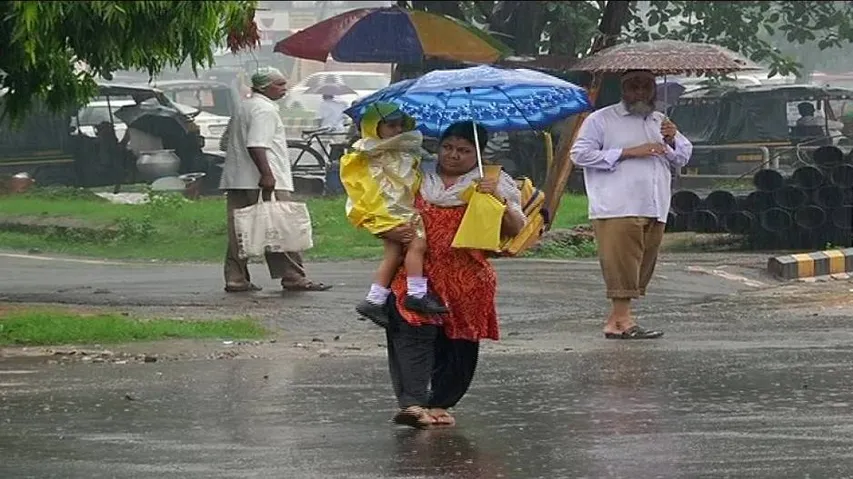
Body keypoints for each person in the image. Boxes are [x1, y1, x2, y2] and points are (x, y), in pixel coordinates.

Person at [383, 120, 527, 429]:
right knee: (410, 333)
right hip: (415, 273)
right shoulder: (417, 178)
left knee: (459, 342)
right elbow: (385, 215)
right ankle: (412, 402)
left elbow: (515, 229)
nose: (453, 155)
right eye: (448, 147)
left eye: (464, 150)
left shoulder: (492, 181)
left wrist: (497, 202)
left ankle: (441, 402)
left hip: (468, 278)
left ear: (478, 153)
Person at [571, 69, 693, 340]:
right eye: (634, 87)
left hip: (655, 203)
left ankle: (616, 320)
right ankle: (623, 320)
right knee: (622, 263)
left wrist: (672, 139)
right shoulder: (600, 119)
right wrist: (628, 152)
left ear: (654, 90)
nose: (640, 92)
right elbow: (579, 155)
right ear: (623, 90)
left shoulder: (661, 120)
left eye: (646, 86)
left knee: (642, 264)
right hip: (618, 204)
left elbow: (682, 157)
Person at [219, 66, 332, 293]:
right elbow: (256, 144)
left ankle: (236, 277)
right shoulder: (265, 110)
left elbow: (226, 142)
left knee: (240, 229)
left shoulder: (245, 106)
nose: (284, 88)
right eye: (279, 84)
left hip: (238, 178)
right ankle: (293, 276)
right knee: (282, 226)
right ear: (264, 87)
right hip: (265, 179)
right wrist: (267, 174)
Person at [341, 102, 448, 329]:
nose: (398, 131)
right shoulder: (371, 153)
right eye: (391, 126)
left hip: (394, 210)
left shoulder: (396, 151)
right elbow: (370, 189)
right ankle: (416, 292)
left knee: (394, 255)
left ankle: (374, 299)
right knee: (418, 245)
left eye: (401, 125)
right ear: (374, 127)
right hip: (393, 211)